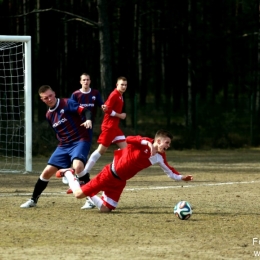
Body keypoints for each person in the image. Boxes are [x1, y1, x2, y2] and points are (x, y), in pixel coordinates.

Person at [56, 130, 193, 213]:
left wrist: (182, 178)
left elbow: (170, 172)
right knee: (78, 194)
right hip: (109, 173)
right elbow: (128, 139)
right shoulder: (144, 141)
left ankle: (87, 188)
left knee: (106, 210)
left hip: (120, 182)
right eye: (167, 143)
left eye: (169, 144)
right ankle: (68, 173)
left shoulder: (160, 157)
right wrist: (147, 144)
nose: (168, 146)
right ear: (158, 140)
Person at [20, 85, 93, 209]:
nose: (49, 99)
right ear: (42, 100)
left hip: (80, 140)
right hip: (64, 145)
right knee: (47, 172)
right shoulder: (49, 115)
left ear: (54, 93)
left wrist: (88, 120)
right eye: (45, 98)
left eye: (50, 96)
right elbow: (58, 132)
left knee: (78, 167)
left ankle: (91, 199)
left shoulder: (67, 103)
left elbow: (86, 111)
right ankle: (33, 200)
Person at [62, 73, 105, 209]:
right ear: (80, 82)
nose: (86, 81)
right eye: (84, 80)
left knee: (83, 155)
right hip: (75, 127)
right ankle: (71, 172)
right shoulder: (75, 95)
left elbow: (101, 104)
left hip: (88, 128)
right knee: (73, 150)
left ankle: (75, 176)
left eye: (88, 79)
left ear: (90, 81)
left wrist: (104, 107)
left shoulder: (95, 93)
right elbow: (70, 108)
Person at [80, 76, 128, 178]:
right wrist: (120, 115)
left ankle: (115, 171)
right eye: (122, 85)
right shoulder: (114, 94)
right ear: (117, 85)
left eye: (125, 85)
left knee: (126, 149)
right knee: (101, 151)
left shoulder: (120, 95)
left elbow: (106, 107)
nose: (124, 87)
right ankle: (82, 174)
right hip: (109, 127)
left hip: (115, 128)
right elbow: (107, 109)